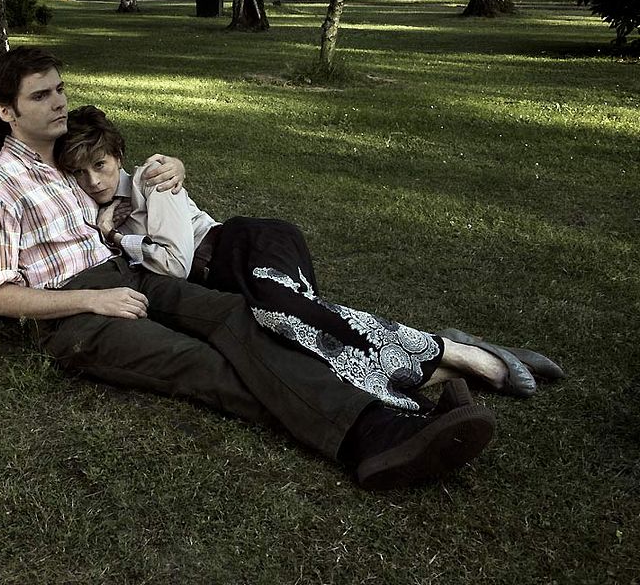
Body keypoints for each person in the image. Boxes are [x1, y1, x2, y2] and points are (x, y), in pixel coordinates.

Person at [0, 46, 499, 490]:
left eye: (59, 89)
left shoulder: (61, 160)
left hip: (130, 276)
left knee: (243, 320)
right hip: (77, 314)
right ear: (7, 113)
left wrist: (172, 170)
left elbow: (120, 185)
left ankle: (396, 401)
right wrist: (92, 300)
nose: (58, 103)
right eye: (41, 96)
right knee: (202, 363)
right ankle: (376, 438)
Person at [56, 105, 565, 411]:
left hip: (245, 246)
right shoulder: (93, 204)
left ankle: (460, 354)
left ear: (118, 155)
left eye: (100, 165)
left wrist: (119, 237)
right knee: (305, 340)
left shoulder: (153, 178)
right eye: (80, 175)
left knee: (285, 315)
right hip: (229, 279)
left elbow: (171, 264)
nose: (94, 181)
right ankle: (450, 359)